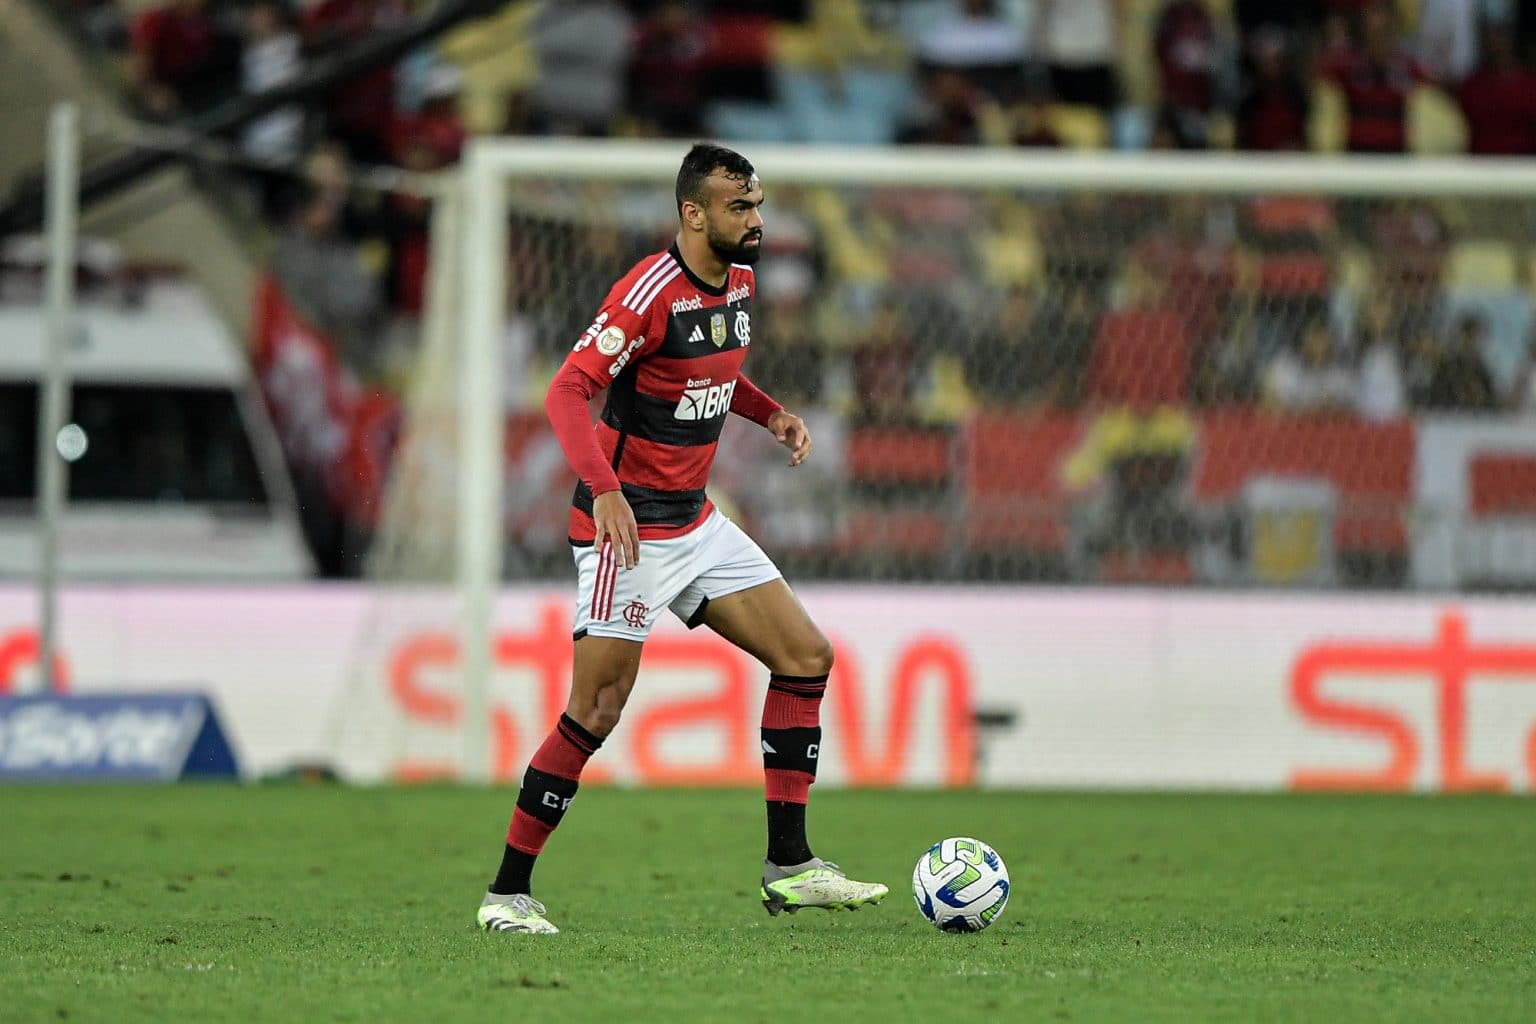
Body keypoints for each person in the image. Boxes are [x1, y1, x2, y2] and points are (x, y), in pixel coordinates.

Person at [477, 144, 890, 935]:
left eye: (759, 204)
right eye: (741, 207)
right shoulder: (645, 294)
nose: (758, 220)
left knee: (806, 657)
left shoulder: (739, 278)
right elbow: (567, 390)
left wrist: (769, 413)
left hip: (695, 520)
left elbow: (710, 370)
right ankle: (506, 893)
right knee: (596, 709)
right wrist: (604, 493)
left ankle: (790, 867)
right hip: (624, 533)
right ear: (693, 214)